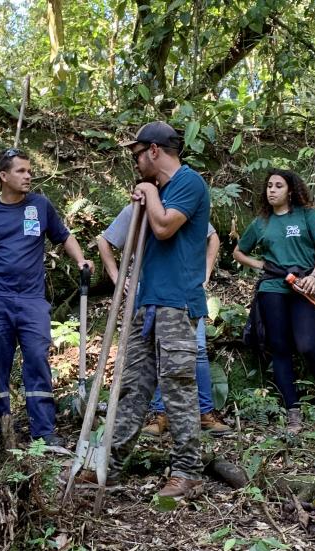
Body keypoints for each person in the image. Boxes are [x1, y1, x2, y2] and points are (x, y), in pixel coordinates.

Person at [73, 121, 208, 499]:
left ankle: (187, 472)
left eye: (136, 154)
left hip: (177, 302)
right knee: (131, 386)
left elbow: (165, 228)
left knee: (178, 386)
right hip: (146, 303)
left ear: (154, 150)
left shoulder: (188, 183)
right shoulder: (156, 191)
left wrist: (149, 190)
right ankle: (108, 466)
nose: (134, 163)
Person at [0, 148, 92, 448]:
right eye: (20, 171)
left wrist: (81, 259)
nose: (28, 175)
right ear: (3, 176)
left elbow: (64, 236)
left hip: (32, 300)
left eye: (30, 170)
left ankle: (43, 432)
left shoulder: (40, 206)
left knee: (37, 361)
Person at [232, 169, 315, 433]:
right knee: (279, 348)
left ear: (290, 190)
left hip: (305, 286)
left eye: (278, 186)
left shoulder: (307, 215)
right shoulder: (261, 222)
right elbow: (239, 252)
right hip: (272, 288)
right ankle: (293, 413)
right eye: (269, 186)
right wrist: (260, 264)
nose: (272, 190)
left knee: (308, 345)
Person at [97, 204, 231, 435]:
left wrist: (205, 273)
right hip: (147, 288)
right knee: (154, 352)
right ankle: (161, 415)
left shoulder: (183, 206)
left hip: (185, 288)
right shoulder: (136, 210)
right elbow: (104, 240)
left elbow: (213, 237)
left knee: (196, 349)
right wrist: (118, 277)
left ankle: (204, 413)